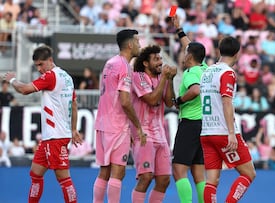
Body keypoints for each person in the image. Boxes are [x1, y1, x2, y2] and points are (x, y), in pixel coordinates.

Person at [3, 45, 83, 203]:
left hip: (56, 137)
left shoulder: (50, 76)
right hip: (51, 137)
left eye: (41, 64)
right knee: (35, 173)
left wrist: (11, 79)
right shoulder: (66, 76)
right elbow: (74, 104)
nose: (39, 69)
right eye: (36, 66)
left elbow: (25, 90)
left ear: (50, 60)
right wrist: (73, 129)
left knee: (63, 178)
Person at [92, 29, 146, 203]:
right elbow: (124, 101)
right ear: (130, 45)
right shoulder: (124, 66)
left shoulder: (110, 63)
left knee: (104, 171)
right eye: (137, 41)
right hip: (116, 125)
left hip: (102, 123)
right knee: (118, 172)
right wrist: (137, 126)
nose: (139, 45)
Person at [200, 36, 256, 203]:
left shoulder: (207, 71)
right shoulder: (228, 73)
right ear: (237, 54)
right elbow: (226, 101)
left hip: (206, 132)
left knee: (211, 181)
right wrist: (231, 133)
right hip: (223, 131)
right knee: (248, 173)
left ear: (219, 50)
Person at [131, 45, 177, 202]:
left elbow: (170, 103)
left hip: (160, 134)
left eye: (161, 59)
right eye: (156, 59)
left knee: (164, 180)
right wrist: (164, 78)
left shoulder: (161, 78)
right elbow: (152, 100)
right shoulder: (138, 77)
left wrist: (169, 79)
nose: (160, 62)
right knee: (146, 177)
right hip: (143, 133)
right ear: (145, 63)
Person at [171, 15, 207, 203]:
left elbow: (195, 90)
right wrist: (179, 30)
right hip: (204, 126)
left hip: (190, 124)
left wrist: (180, 100)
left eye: (186, 53)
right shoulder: (205, 68)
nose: (183, 55)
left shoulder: (190, 72)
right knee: (198, 173)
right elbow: (190, 46)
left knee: (178, 169)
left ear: (190, 57)